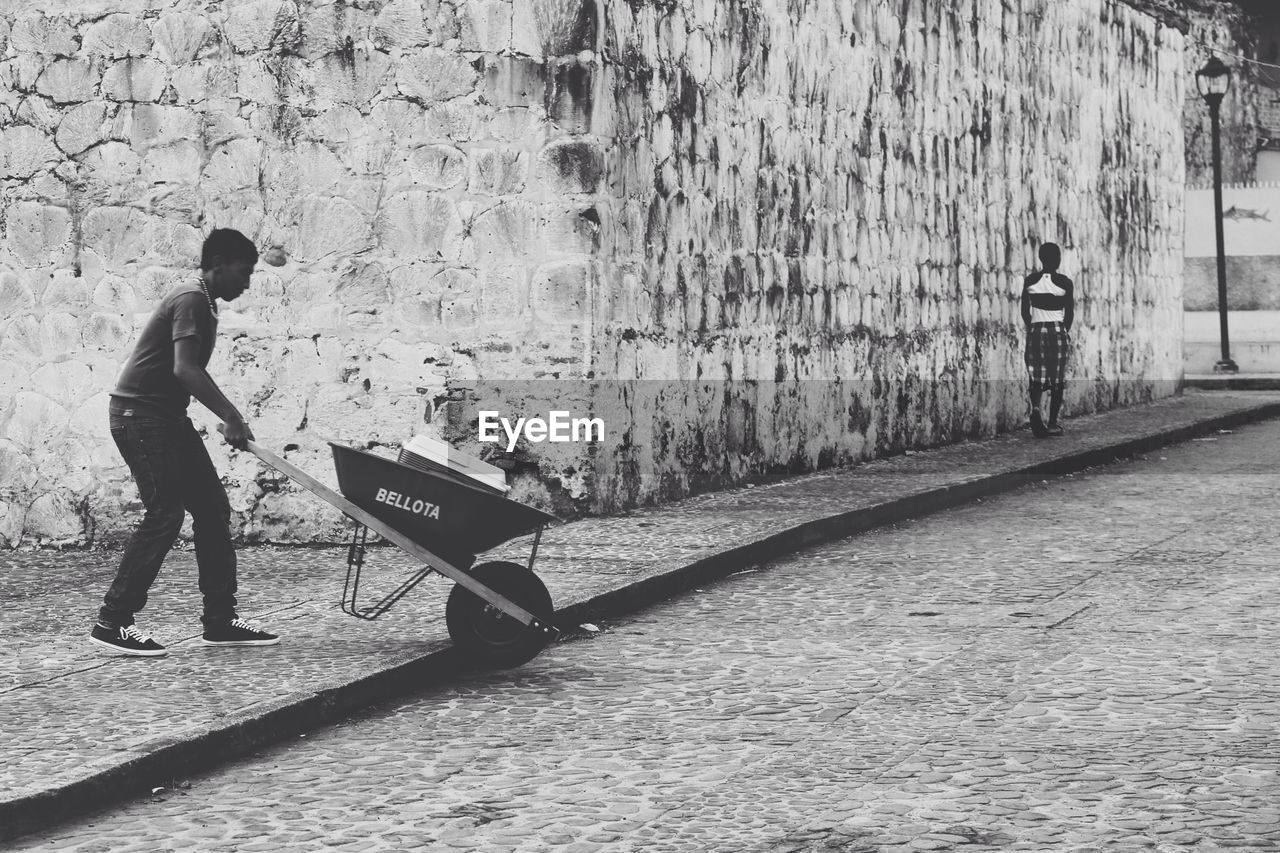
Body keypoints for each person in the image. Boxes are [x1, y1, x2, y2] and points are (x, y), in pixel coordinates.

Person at [90, 228, 279, 656]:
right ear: (219, 265)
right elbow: (185, 370)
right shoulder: (191, 298)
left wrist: (229, 415)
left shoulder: (205, 302)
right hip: (140, 418)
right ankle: (113, 621)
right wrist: (230, 415)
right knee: (165, 514)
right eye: (243, 272)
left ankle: (220, 619)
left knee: (212, 507)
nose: (247, 282)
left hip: (168, 418)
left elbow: (189, 371)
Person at [1020, 242, 1074, 438]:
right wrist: (1062, 330)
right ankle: (1052, 424)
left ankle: (1035, 408)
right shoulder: (1065, 282)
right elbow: (1069, 313)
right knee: (1057, 378)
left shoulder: (1030, 281)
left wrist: (1033, 326)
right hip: (1057, 329)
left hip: (1036, 329)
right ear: (1058, 260)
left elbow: (1025, 311)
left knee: (1036, 373)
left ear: (1041, 259)